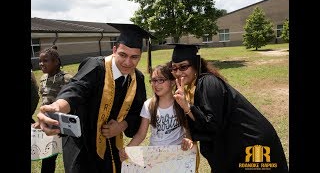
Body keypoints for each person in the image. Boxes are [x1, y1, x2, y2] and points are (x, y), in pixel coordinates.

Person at [36, 23, 155, 173]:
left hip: (110, 142)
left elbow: (137, 111)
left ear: (140, 56)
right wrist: (56, 108)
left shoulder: (137, 78)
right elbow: (76, 89)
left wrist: (122, 126)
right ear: (114, 50)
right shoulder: (96, 67)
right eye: (123, 55)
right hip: (82, 142)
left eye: (134, 57)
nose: (127, 62)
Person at [168, 43, 288, 173]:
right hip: (236, 143)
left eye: (183, 67)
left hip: (251, 141)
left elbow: (211, 125)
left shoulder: (208, 82)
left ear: (196, 65)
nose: (178, 72)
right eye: (174, 68)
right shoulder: (192, 87)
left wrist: (187, 106)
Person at [118, 64, 194, 163]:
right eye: (153, 80)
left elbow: (187, 127)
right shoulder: (148, 105)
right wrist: (127, 149)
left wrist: (188, 139)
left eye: (161, 80)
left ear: (172, 82)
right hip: (155, 156)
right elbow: (141, 134)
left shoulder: (181, 102)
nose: (156, 84)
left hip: (177, 155)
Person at [33, 45, 73, 173]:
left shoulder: (67, 78)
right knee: (49, 157)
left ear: (56, 62)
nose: (41, 64)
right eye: (40, 61)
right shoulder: (43, 79)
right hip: (49, 125)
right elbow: (43, 99)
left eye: (45, 61)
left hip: (65, 124)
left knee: (70, 155)